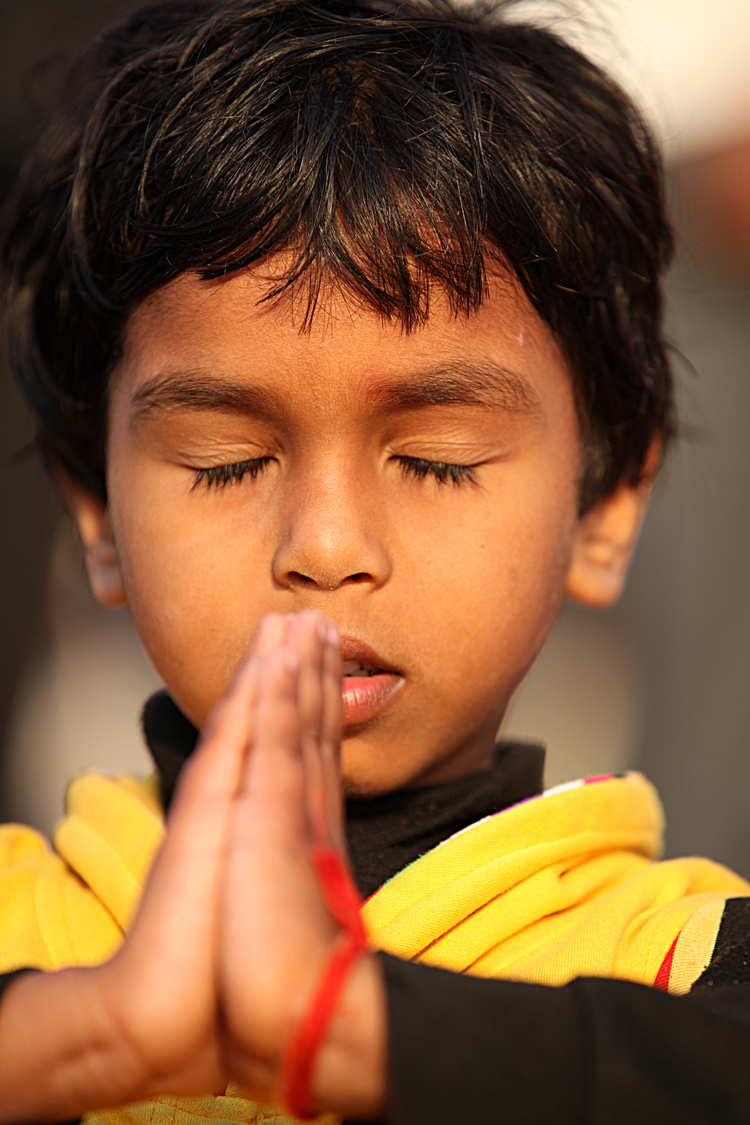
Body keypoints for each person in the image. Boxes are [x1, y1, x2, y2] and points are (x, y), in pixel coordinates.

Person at [3, 1, 750, 1122]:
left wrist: (336, 1027)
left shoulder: (678, 958)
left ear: (603, 511)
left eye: (438, 461)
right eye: (225, 461)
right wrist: (94, 1033)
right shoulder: (25, 923)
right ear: (98, 517)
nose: (328, 548)